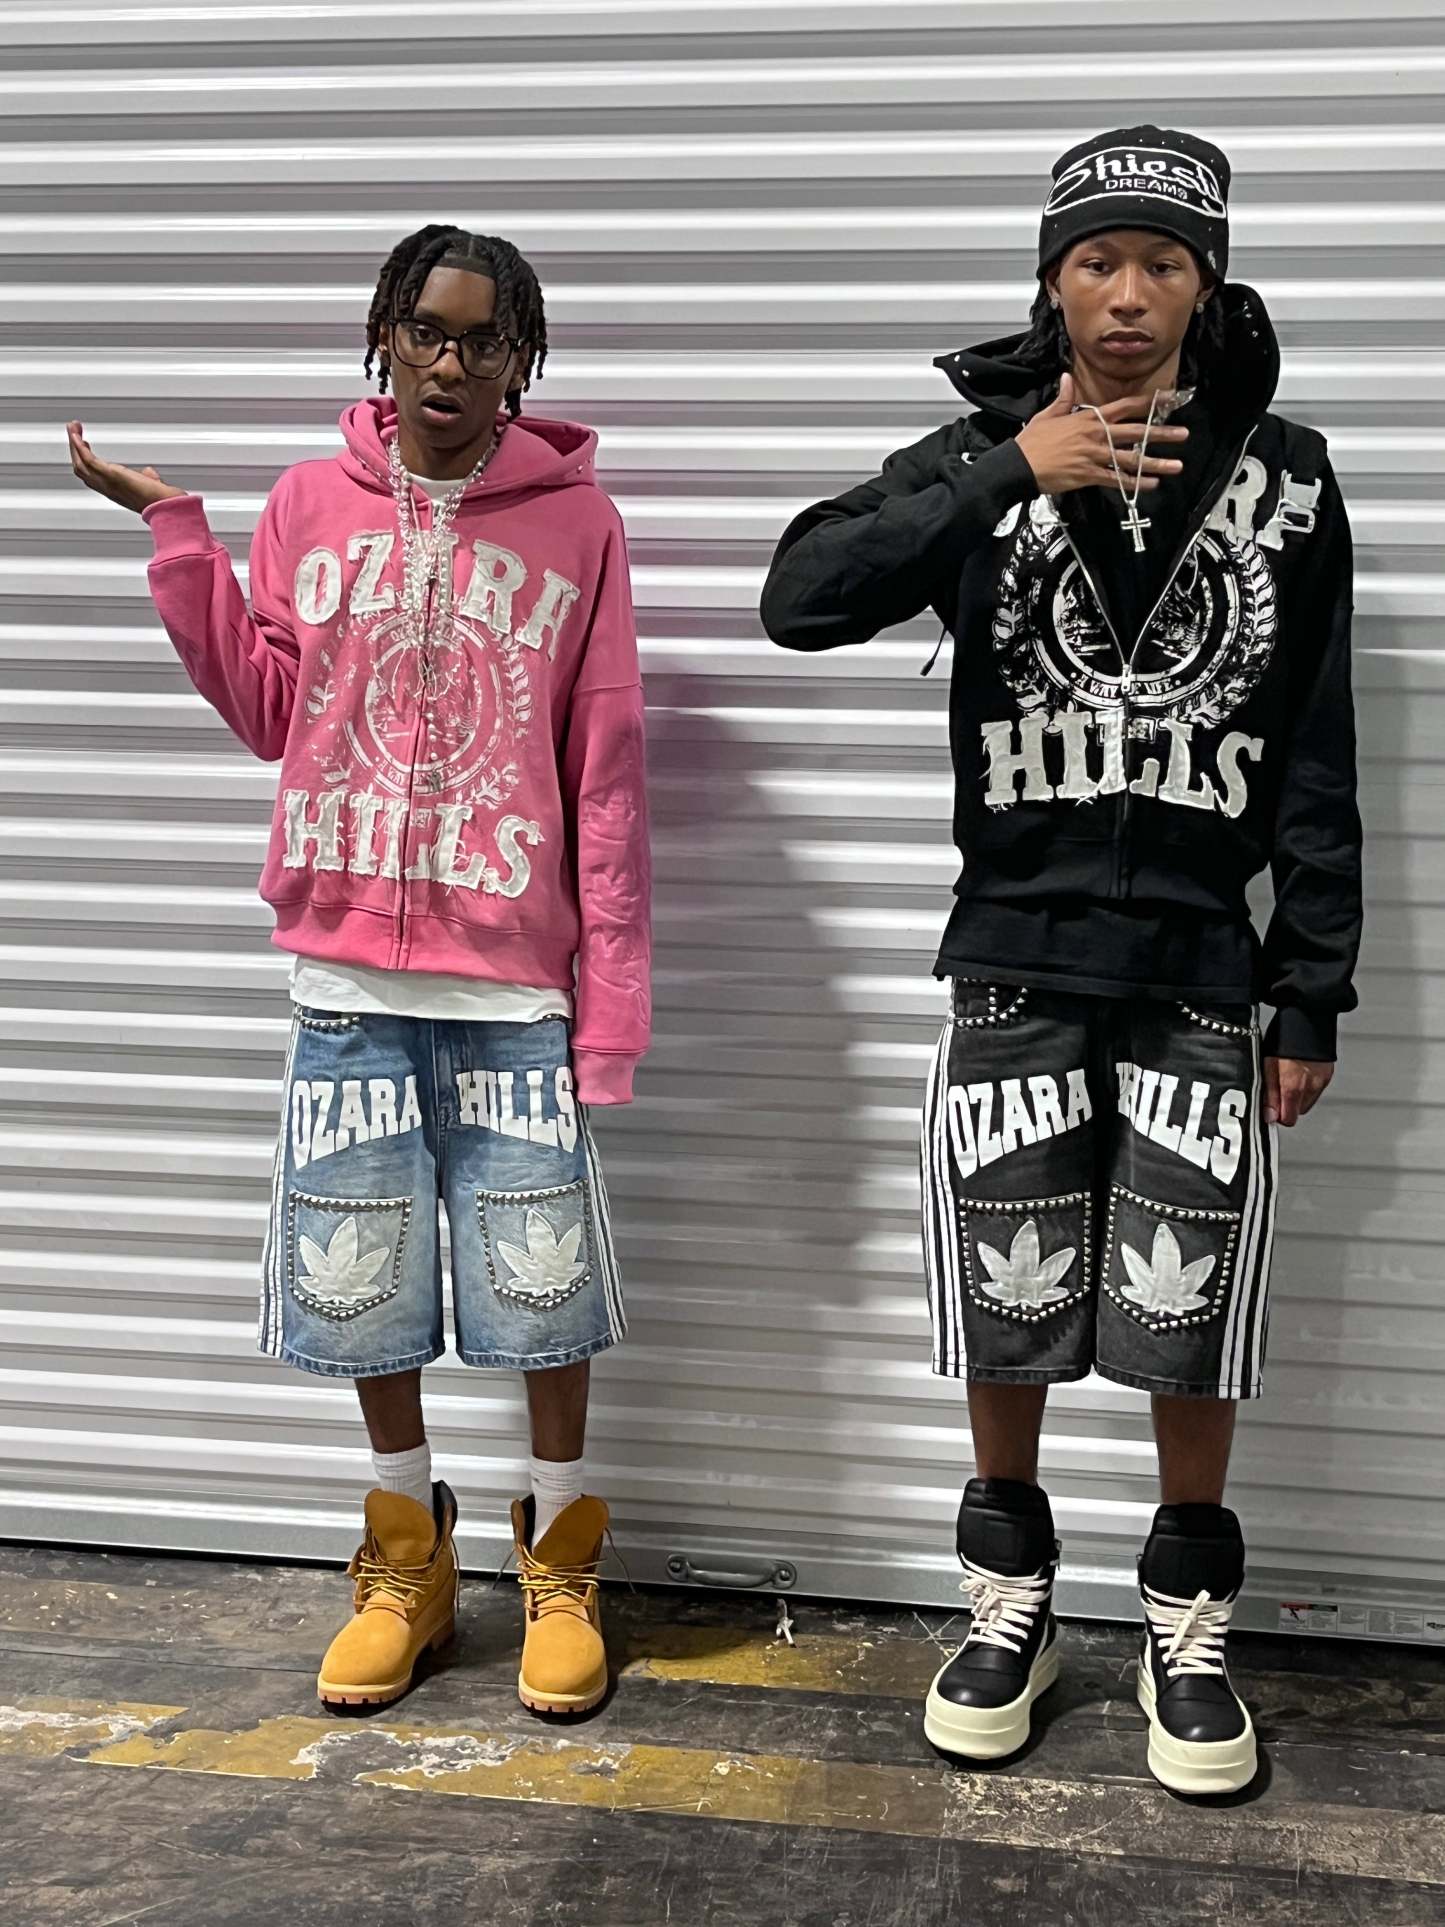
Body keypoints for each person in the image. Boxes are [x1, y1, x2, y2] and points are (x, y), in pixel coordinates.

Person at [760, 127, 1361, 1795]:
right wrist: (1009, 472)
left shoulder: (1288, 476)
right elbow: (798, 597)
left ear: (1206, 287)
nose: (1127, 294)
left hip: (1200, 972)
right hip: (1015, 959)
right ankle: (1006, 1607)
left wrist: (1308, 983)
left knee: (1188, 1307)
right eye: (1097, 261)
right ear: (1051, 279)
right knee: (1007, 1299)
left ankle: (1185, 1626)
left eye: (1162, 263)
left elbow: (1315, 750)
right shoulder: (981, 451)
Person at [68, 224, 651, 1719]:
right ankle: (405, 1561)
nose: (450, 363)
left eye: (483, 340)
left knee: (545, 1288)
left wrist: (610, 1011)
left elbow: (605, 774)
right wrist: (181, 537)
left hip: (513, 984)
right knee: (361, 1282)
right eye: (425, 331)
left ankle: (561, 1561)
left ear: (522, 360)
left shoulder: (578, 526)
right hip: (345, 983)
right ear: (384, 336)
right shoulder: (307, 503)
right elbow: (272, 711)